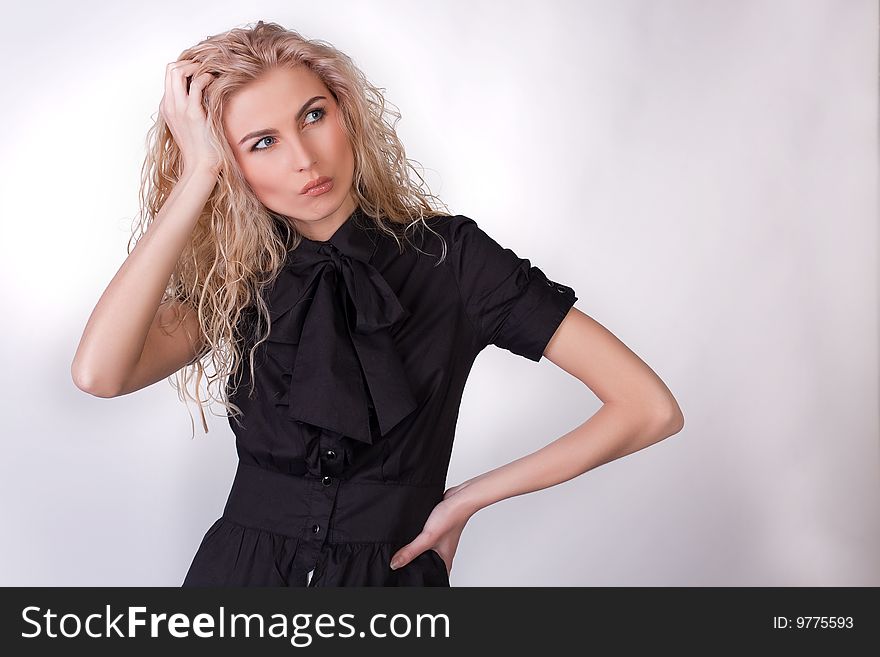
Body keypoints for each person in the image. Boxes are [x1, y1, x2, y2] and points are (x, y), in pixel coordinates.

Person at [71, 20, 684, 587]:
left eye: (314, 115)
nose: (304, 158)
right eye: (261, 143)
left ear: (347, 115)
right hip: (240, 576)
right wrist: (198, 173)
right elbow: (100, 374)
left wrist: (468, 498)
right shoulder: (237, 275)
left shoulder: (454, 259)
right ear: (231, 163)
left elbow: (648, 408)